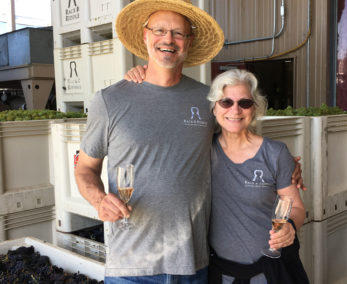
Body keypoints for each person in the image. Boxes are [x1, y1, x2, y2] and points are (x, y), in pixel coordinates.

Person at [76, 0, 304, 283]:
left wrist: (285, 166)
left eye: (178, 33)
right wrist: (99, 200)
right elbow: (85, 168)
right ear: (145, 36)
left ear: (189, 42)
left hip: (194, 265)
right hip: (131, 267)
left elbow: (237, 139)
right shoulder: (110, 100)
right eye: (159, 30)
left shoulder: (207, 99)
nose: (168, 40)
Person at [207, 69, 309, 283]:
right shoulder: (203, 150)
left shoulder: (275, 153)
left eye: (244, 103)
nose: (235, 110)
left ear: (254, 108)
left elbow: (297, 207)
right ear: (214, 107)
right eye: (226, 102)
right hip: (220, 272)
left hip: (269, 271)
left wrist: (290, 226)